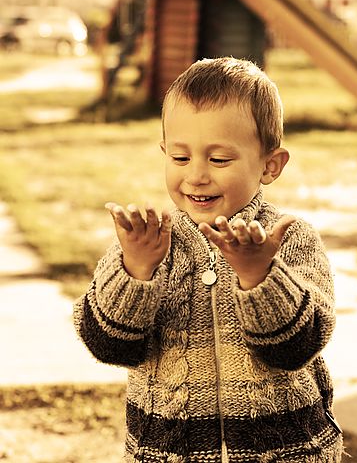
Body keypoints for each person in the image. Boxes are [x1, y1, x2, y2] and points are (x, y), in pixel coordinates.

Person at [73, 57, 343, 462]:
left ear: (270, 164)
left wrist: (258, 276)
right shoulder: (146, 243)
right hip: (166, 452)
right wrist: (136, 272)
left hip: (286, 452)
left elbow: (297, 348)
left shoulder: (289, 239)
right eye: (180, 158)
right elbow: (109, 346)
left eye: (218, 160)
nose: (196, 175)